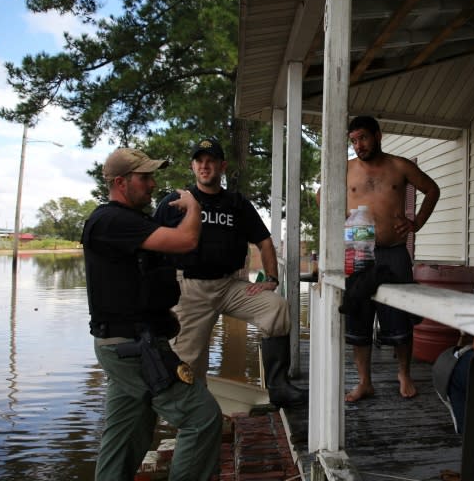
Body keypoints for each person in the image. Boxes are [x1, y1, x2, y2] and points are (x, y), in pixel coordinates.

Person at [82, 148, 222, 480]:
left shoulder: (132, 222)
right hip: (134, 348)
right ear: (120, 182)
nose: (152, 183)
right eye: (144, 177)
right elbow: (186, 240)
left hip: (128, 345)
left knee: (126, 437)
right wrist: (194, 207)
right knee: (201, 419)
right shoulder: (110, 220)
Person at [154, 138, 306, 408]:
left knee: (276, 308)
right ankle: (193, 421)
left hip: (230, 285)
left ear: (222, 166)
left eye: (210, 160)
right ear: (192, 167)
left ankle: (278, 386)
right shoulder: (176, 201)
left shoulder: (236, 204)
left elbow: (265, 241)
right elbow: (152, 243)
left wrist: (271, 279)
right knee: (189, 361)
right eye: (199, 161)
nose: (205, 166)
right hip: (190, 289)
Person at [343, 115, 441, 402]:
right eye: (354, 141)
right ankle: (364, 382)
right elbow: (323, 196)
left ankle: (404, 374)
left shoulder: (400, 166)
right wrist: (341, 218)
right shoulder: (346, 169)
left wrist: (416, 222)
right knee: (358, 314)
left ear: (378, 135)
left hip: (394, 252)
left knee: (400, 314)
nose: (359, 145)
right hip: (358, 251)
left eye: (363, 138)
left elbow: (432, 189)